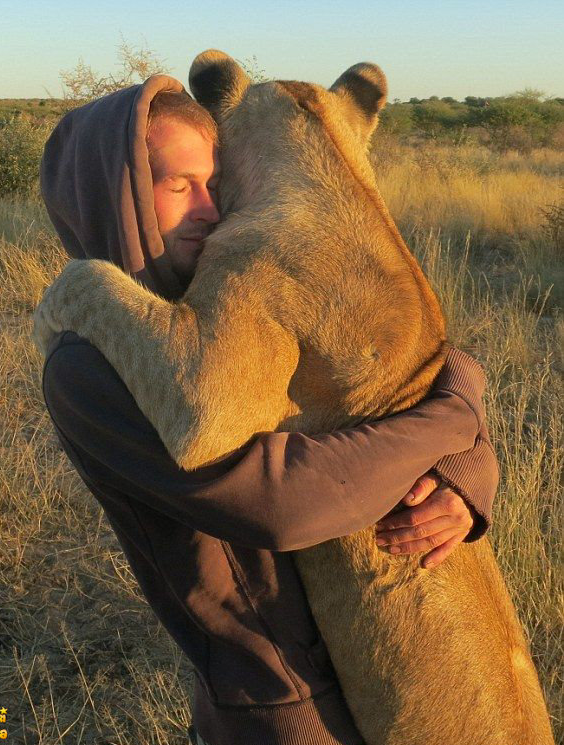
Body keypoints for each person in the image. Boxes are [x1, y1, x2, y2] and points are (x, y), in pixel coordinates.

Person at [38, 75, 499, 745]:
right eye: (176, 185)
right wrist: (454, 419)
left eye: (214, 181)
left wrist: (466, 471)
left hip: (367, 669)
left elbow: (379, 385)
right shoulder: (87, 366)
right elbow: (284, 504)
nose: (210, 208)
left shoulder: (210, 305)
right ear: (115, 196)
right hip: (281, 705)